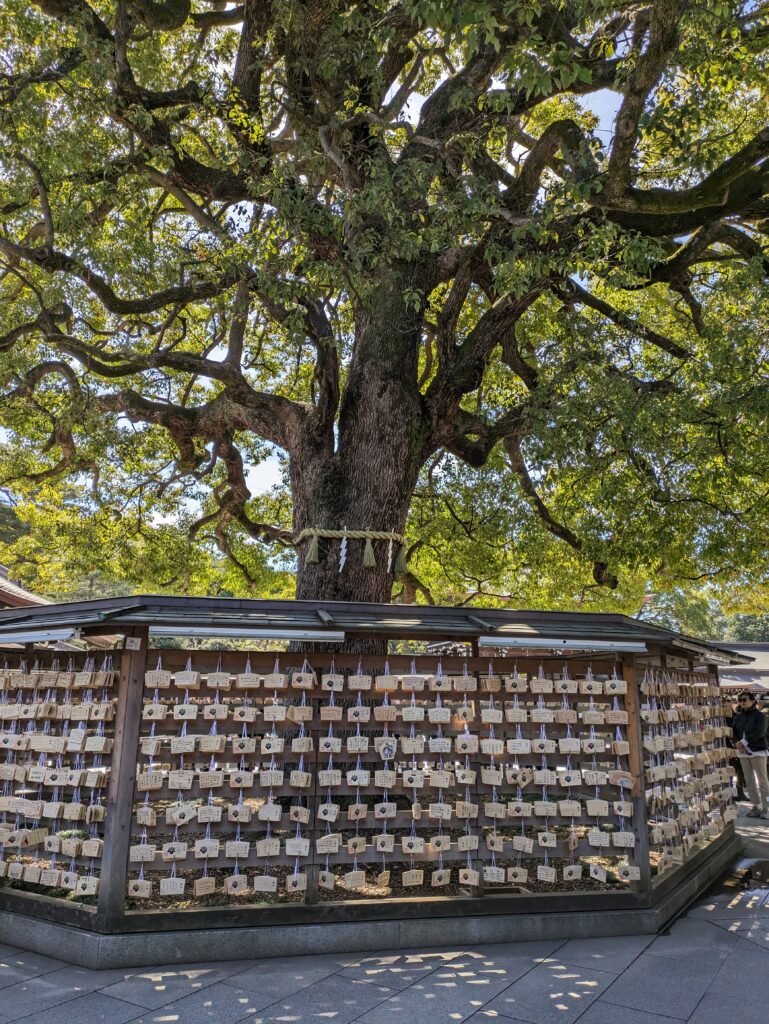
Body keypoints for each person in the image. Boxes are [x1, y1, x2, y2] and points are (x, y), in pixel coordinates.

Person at [733, 691, 769, 818]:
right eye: (740, 700)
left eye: (744, 699)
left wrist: (743, 742)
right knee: (749, 781)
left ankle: (766, 808)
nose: (742, 702)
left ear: (753, 701)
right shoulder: (738, 716)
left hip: (757, 750)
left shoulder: (761, 716)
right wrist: (737, 743)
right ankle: (756, 806)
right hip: (742, 752)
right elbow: (734, 732)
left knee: (762, 781)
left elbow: (760, 732)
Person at [723, 697, 747, 801]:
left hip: (738, 745)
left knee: (740, 770)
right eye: (724, 702)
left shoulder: (736, 716)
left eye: (728, 701)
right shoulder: (718, 718)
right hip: (726, 747)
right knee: (728, 770)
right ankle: (729, 793)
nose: (726, 704)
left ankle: (740, 792)